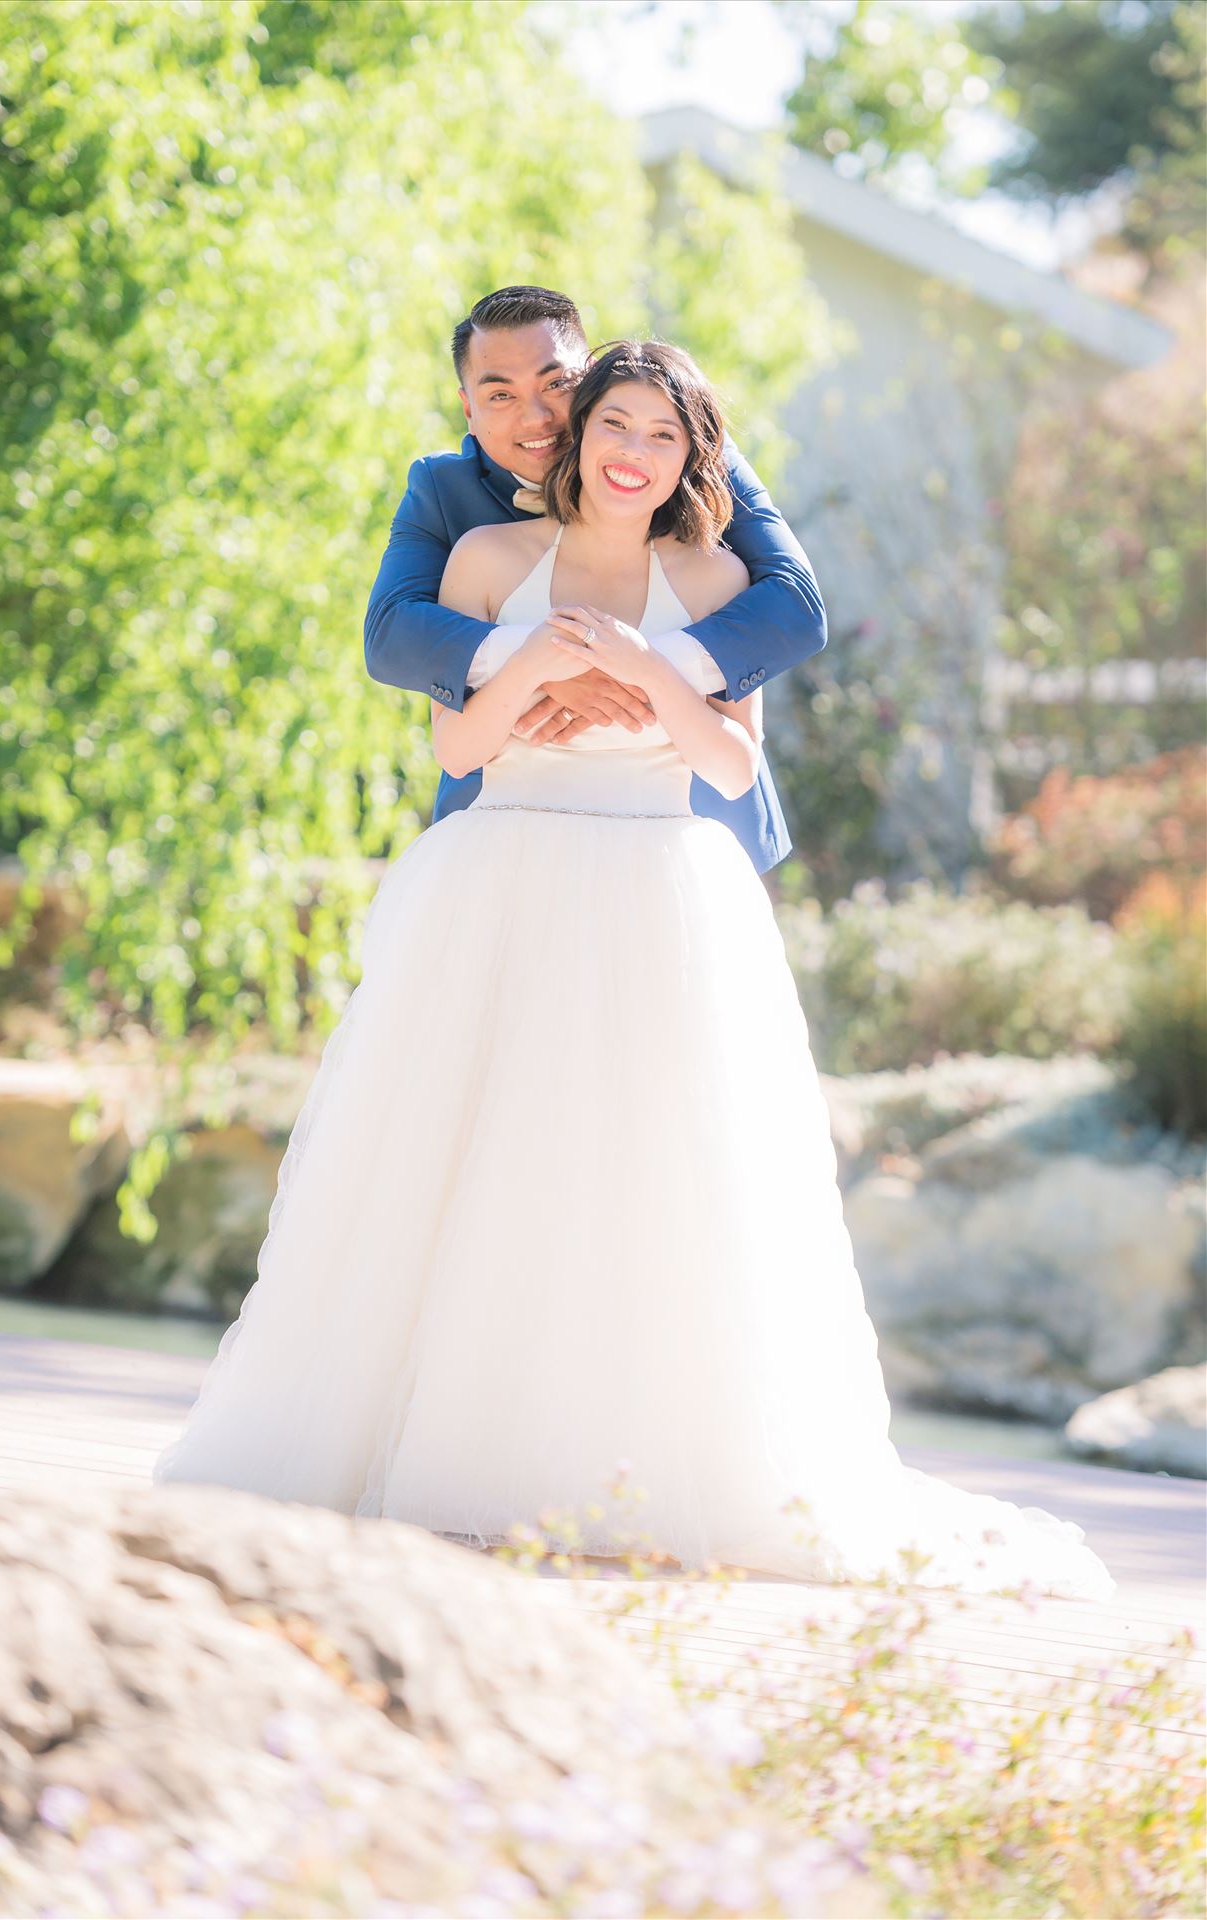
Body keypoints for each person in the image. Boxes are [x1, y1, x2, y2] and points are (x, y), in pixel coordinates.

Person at [153, 336, 1115, 1603]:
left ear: (692, 453)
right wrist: (540, 662)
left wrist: (650, 675)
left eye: (663, 436)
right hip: (500, 881)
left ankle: (626, 1467)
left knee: (649, 1177)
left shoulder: (718, 575)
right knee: (464, 1159)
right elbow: (462, 734)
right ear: (580, 431)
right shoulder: (488, 556)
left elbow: (729, 769)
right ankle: (446, 1446)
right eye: (615, 426)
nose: (631, 453)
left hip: (661, 890)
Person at [363, 284, 829, 877]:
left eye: (555, 384)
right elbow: (392, 634)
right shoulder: (443, 492)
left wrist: (638, 667)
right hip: (509, 827)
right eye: (500, 393)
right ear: (468, 407)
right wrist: (554, 660)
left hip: (681, 827)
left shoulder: (683, 453)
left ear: (589, 380)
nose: (534, 416)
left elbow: (795, 606)